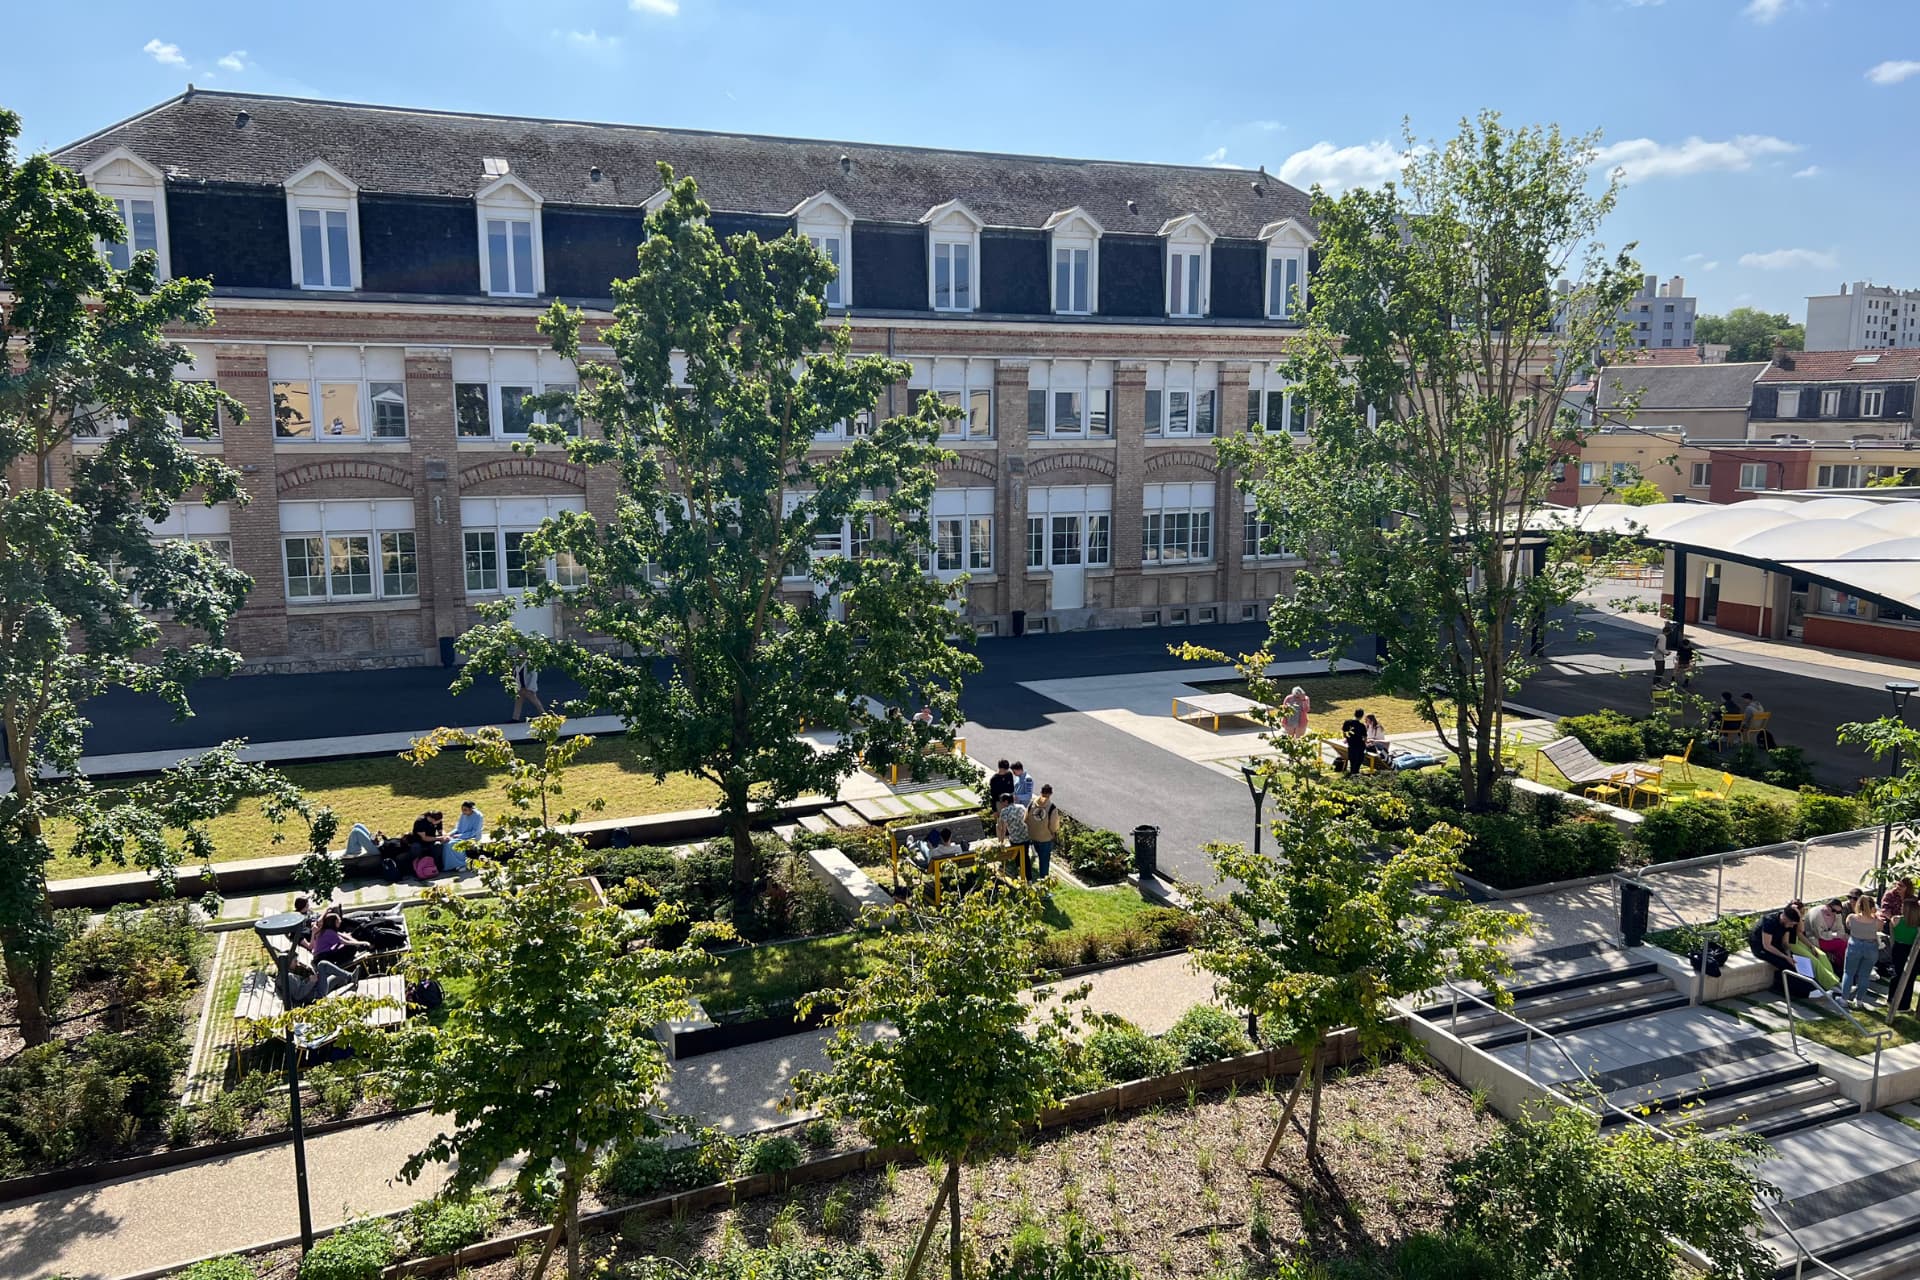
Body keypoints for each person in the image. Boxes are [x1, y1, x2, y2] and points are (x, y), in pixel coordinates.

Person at [1748, 902, 1805, 996]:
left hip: (1775, 943)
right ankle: (1786, 989)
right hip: (1761, 947)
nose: (1791, 927)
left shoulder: (1787, 923)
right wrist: (1785, 957)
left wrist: (1788, 954)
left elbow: (1785, 943)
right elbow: (1767, 945)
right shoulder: (1769, 921)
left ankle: (1801, 987)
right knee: (1785, 963)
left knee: (1794, 962)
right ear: (1785, 919)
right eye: (1791, 924)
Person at [1841, 894, 1884, 1007]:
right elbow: (1880, 928)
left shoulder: (1851, 918)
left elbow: (1848, 926)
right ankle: (1859, 1000)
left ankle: (1844, 999)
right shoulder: (1877, 921)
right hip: (1871, 947)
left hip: (1855, 945)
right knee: (1864, 975)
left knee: (1848, 973)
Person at [285, 953, 357, 1006]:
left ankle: (350, 978)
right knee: (322, 965)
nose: (297, 963)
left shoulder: (292, 972)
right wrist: (311, 982)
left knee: (335, 975)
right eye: (295, 961)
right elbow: (298, 995)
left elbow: (302, 984)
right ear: (288, 962)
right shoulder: (289, 976)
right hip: (316, 995)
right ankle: (350, 977)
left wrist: (310, 978)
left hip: (315, 989)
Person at [994, 791, 1031, 880]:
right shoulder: (1021, 807)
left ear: (1006, 801)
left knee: (1017, 857)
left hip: (1015, 838)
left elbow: (1003, 828)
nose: (1002, 804)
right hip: (1025, 836)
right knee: (1026, 856)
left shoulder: (1004, 811)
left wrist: (1001, 841)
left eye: (1002, 802)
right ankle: (1029, 878)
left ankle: (1021, 874)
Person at [1026, 784, 1059, 880]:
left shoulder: (1032, 804)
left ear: (1041, 792)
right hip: (1045, 837)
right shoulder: (1051, 807)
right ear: (1051, 793)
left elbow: (1025, 818)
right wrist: (1053, 833)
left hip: (1032, 835)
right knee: (1044, 860)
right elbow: (1053, 825)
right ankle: (1043, 879)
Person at [1805, 897, 1849, 969]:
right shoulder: (1816, 915)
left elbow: (1841, 930)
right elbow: (1819, 934)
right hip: (1816, 939)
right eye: (1833, 910)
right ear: (1827, 906)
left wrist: (1835, 935)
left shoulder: (1837, 915)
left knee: (1847, 942)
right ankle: (1843, 966)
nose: (1835, 913)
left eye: (1838, 912)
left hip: (1830, 938)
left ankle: (1841, 964)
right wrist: (1835, 935)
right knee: (1842, 944)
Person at [1893, 903, 1920, 1012]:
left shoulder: (1896, 920)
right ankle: (1904, 1005)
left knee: (1897, 974)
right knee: (1910, 978)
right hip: (1912, 951)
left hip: (1898, 949)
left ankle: (1892, 999)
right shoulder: (1917, 926)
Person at [445, 801, 482, 872]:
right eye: (462, 810)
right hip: (460, 835)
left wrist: (460, 836)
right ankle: (452, 865)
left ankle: (462, 864)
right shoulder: (463, 815)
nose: (463, 812)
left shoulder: (478, 816)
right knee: (446, 843)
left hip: (472, 837)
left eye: (465, 810)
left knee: (452, 844)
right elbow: (458, 828)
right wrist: (449, 834)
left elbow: (475, 831)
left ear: (471, 809)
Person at [1340, 709, 1369, 775]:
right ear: (1362, 716)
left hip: (1351, 745)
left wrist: (1348, 738)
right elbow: (1365, 737)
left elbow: (1344, 733)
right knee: (1358, 761)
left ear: (1354, 714)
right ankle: (1355, 773)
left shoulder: (1347, 722)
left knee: (1352, 761)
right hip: (1360, 746)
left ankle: (1352, 773)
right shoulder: (1362, 726)